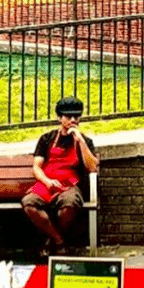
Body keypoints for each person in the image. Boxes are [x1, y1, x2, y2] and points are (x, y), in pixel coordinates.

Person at [22, 96, 99, 257]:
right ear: (59, 118)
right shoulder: (47, 139)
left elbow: (92, 167)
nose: (72, 120)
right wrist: (47, 181)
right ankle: (59, 241)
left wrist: (81, 142)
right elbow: (36, 167)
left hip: (70, 184)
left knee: (70, 203)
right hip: (48, 182)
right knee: (29, 203)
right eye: (68, 116)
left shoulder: (85, 141)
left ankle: (50, 239)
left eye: (76, 117)